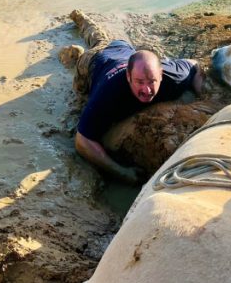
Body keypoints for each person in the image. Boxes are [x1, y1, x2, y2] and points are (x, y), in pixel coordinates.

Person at [60, 10, 204, 184]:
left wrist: (201, 95)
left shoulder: (174, 77)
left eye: (152, 81)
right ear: (128, 77)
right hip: (95, 61)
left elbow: (195, 64)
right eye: (139, 82)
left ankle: (86, 25)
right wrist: (122, 173)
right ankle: (77, 45)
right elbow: (82, 141)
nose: (146, 90)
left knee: (100, 38)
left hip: (124, 49)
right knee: (83, 81)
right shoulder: (109, 92)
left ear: (161, 74)